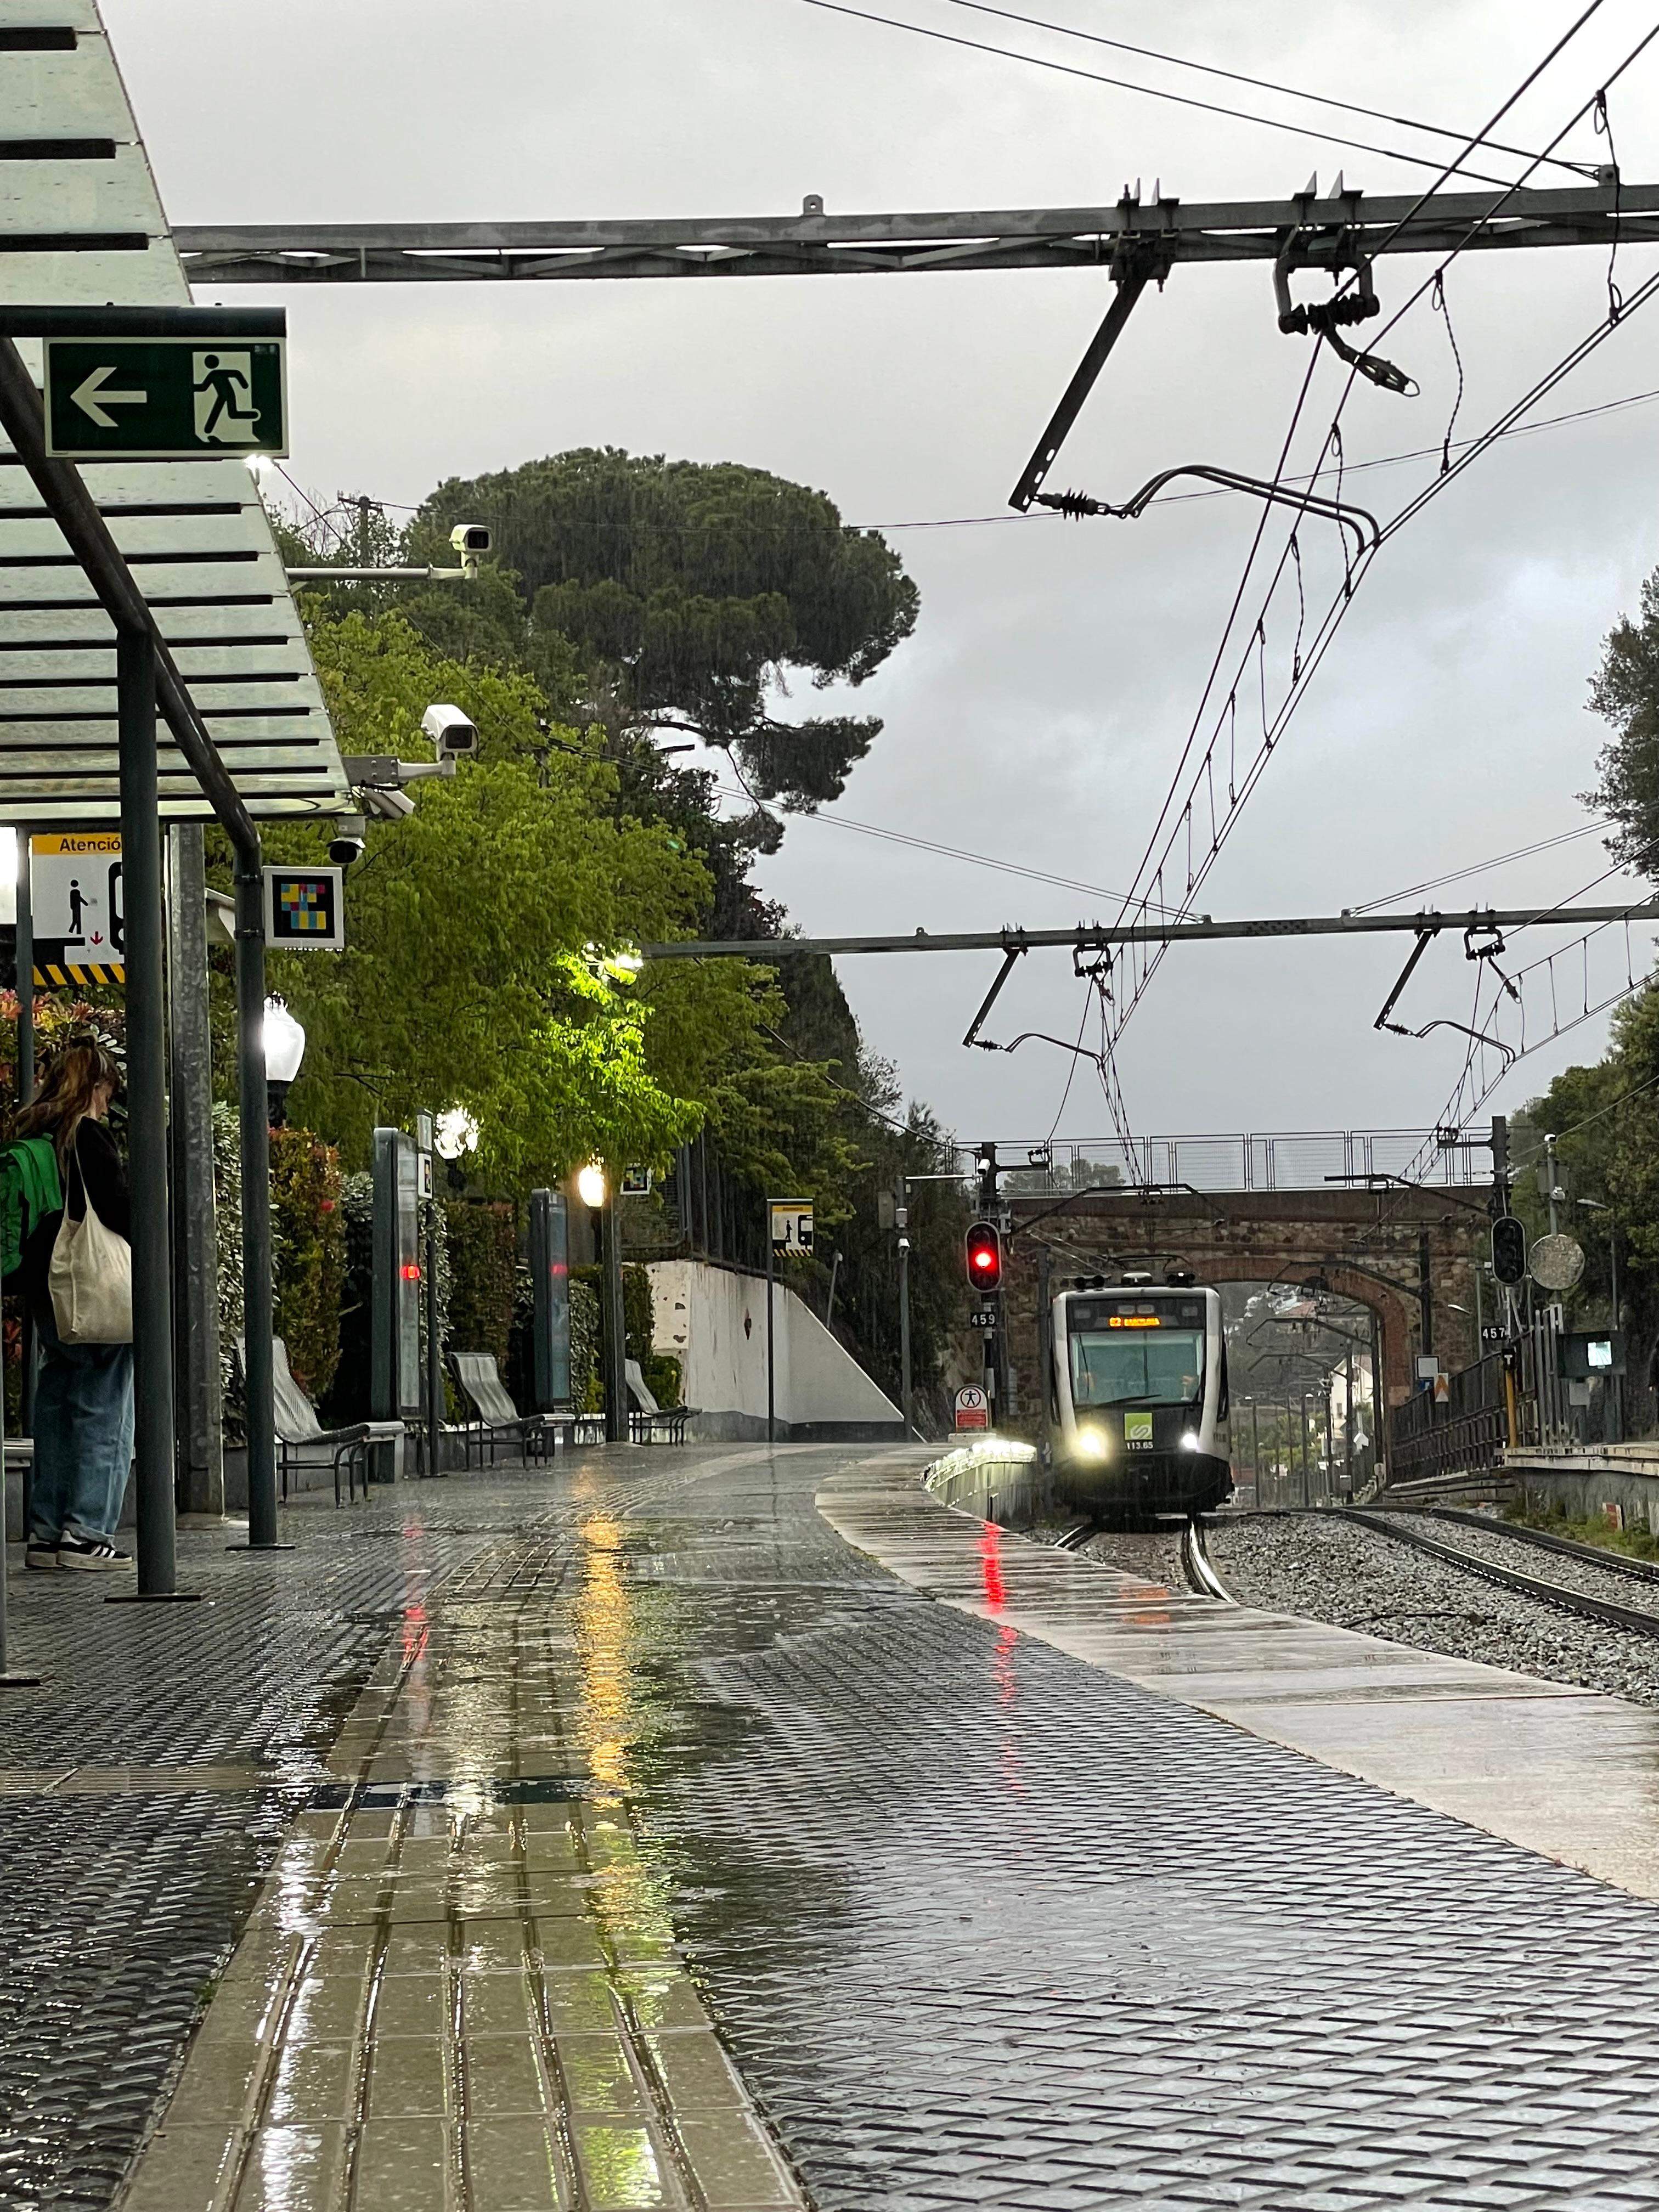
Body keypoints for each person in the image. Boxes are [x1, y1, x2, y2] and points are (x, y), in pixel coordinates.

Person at [12, 1040, 133, 1571]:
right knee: (104, 1407)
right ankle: (86, 1532)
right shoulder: (87, 1135)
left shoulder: (34, 1132)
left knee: (58, 1406)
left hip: (48, 1289)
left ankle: (45, 1532)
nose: (109, 1100)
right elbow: (119, 1210)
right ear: (95, 1085)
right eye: (107, 1089)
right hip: (93, 1286)